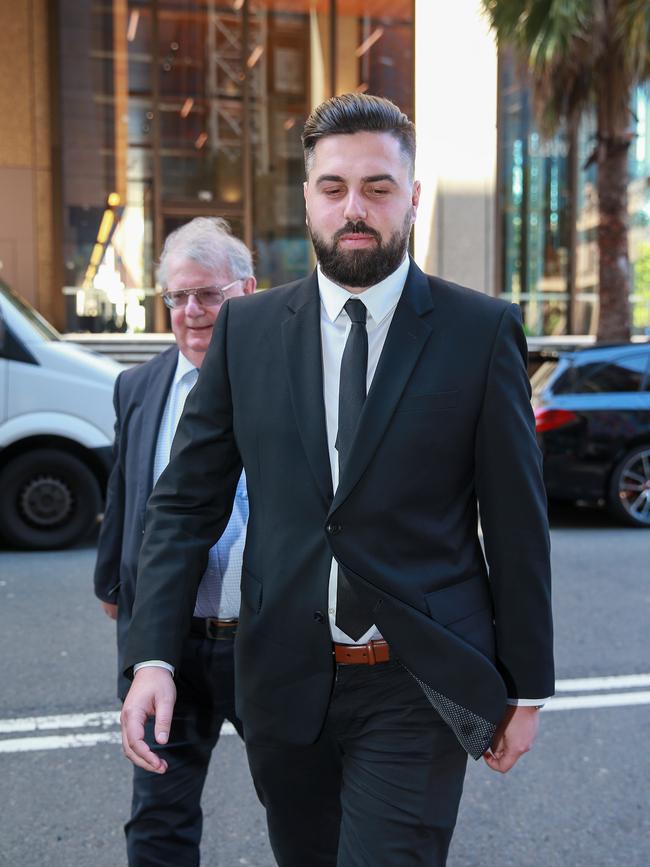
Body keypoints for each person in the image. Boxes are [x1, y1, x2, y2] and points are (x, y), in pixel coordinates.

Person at [120, 94, 554, 867]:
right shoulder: (247, 332)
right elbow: (184, 502)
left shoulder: (479, 330)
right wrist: (151, 655)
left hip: (415, 679)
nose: (355, 208)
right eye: (333, 188)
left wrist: (528, 686)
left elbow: (517, 521)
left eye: (379, 187)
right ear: (309, 197)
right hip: (284, 681)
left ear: (412, 198)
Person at [94, 216, 255, 866]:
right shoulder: (139, 386)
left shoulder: (287, 382)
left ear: (243, 292)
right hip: (170, 643)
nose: (191, 311)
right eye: (178, 297)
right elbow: (124, 489)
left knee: (307, 812)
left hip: (263, 640)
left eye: (208, 295)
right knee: (157, 822)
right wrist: (112, 582)